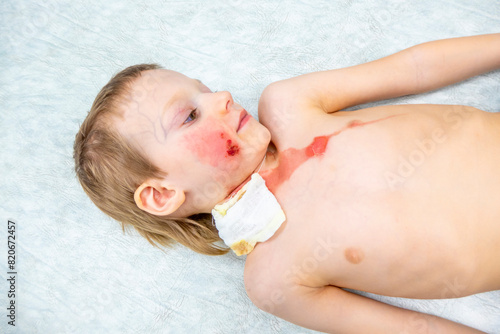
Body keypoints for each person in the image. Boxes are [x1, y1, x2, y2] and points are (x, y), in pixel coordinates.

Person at [74, 33, 500, 333]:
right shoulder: (274, 278)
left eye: (202, 89)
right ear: (162, 193)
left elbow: (414, 67)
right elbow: (406, 329)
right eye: (189, 115)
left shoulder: (290, 107)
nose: (220, 96)